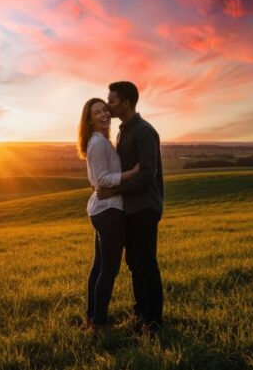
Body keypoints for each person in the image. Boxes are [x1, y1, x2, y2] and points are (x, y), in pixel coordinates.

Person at [97, 81, 165, 332]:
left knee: (146, 263)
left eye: (112, 101)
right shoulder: (123, 130)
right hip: (131, 207)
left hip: (145, 207)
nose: (108, 105)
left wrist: (113, 190)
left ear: (126, 103)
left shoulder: (144, 131)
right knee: (134, 263)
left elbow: (147, 174)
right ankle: (141, 315)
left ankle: (154, 321)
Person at [78, 97, 140, 330]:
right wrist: (130, 174)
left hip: (103, 210)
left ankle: (92, 318)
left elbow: (96, 179)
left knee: (99, 267)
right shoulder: (98, 143)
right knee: (108, 269)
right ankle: (99, 323)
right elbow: (101, 180)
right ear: (90, 120)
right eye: (97, 112)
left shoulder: (101, 141)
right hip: (109, 211)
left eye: (105, 110)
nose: (104, 114)